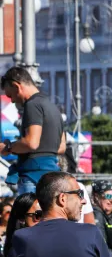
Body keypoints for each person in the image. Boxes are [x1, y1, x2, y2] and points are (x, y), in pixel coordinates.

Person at [0, 67, 66, 195]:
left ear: (16, 86)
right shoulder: (53, 107)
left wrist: (8, 147)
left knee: (29, 209)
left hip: (32, 178)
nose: (12, 101)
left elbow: (31, 143)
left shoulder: (32, 105)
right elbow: (61, 147)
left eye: (10, 95)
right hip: (52, 178)